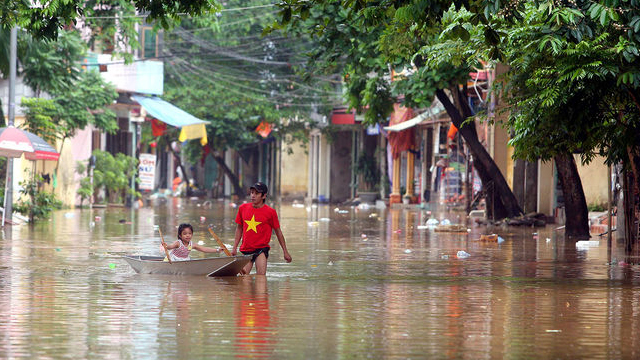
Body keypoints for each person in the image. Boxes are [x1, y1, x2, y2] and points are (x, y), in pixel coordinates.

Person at [232, 182, 292, 275]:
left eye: (256, 193)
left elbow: (278, 232)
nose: (253, 195)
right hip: (246, 250)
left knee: (261, 279)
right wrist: (234, 247)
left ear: (264, 196)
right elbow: (239, 228)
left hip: (261, 249)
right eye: (252, 192)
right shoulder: (242, 208)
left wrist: (285, 252)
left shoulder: (271, 212)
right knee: (243, 279)